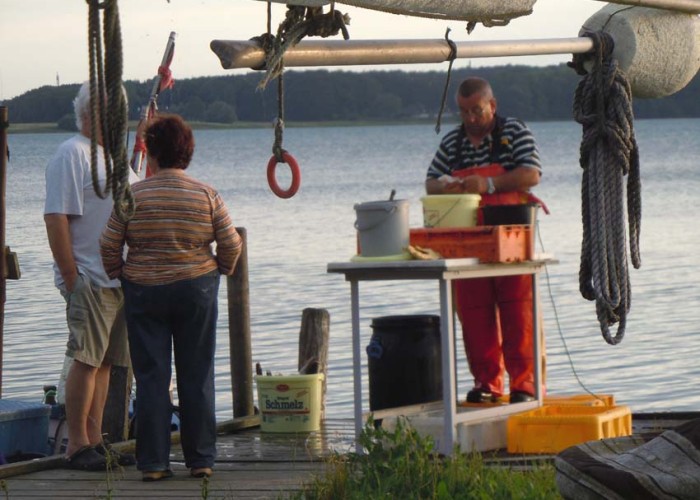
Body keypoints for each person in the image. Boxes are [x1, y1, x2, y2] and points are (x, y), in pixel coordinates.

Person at [100, 113, 242, 482]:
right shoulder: (206, 194)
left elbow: (108, 243)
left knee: (151, 377)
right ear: (187, 153)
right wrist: (222, 268)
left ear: (150, 152)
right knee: (197, 375)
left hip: (144, 291)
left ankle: (154, 464)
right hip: (196, 288)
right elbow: (230, 243)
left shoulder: (132, 195)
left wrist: (119, 272)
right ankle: (201, 460)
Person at [426, 77, 543, 404]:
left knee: (518, 316)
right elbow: (430, 183)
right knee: (474, 317)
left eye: (476, 111)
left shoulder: (514, 132)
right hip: (470, 245)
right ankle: (487, 384)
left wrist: (488, 185)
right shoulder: (453, 143)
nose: (471, 119)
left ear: (492, 105)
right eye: (464, 112)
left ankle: (525, 386)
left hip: (511, 241)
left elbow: (531, 174)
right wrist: (448, 185)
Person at [44, 81, 137, 470]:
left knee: (104, 364)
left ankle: (96, 441)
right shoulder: (71, 153)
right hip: (88, 277)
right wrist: (72, 277)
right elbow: (56, 216)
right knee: (85, 359)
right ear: (92, 114)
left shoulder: (113, 158)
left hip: (116, 279)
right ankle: (76, 445)